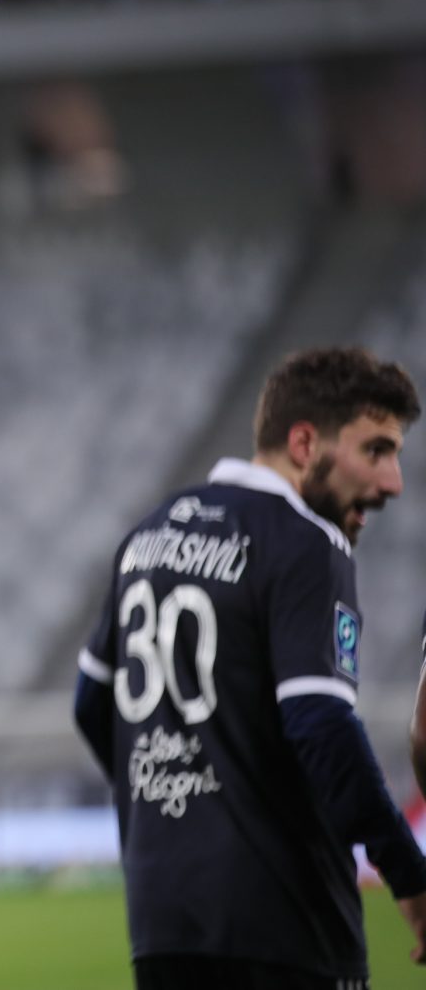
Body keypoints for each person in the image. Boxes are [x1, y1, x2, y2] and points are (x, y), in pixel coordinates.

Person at [74, 347, 426, 989]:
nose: (392, 482)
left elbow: (90, 704)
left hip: (163, 921)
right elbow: (321, 723)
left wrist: (178, 815)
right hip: (289, 923)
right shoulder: (307, 542)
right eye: (375, 450)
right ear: (304, 443)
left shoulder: (145, 537)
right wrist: (408, 873)